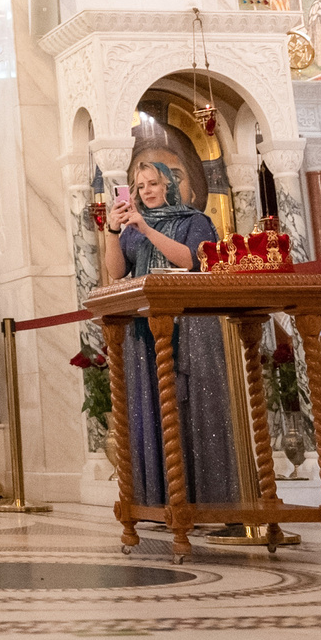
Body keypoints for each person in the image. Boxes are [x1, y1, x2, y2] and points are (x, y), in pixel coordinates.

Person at [98, 144, 235, 508]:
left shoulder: (195, 221)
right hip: (145, 327)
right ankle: (158, 500)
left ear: (169, 185)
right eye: (140, 186)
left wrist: (145, 227)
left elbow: (190, 260)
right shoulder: (132, 228)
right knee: (152, 407)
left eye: (153, 183)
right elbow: (117, 271)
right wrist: (112, 231)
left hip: (189, 326)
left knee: (191, 407)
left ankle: (205, 500)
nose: (147, 191)